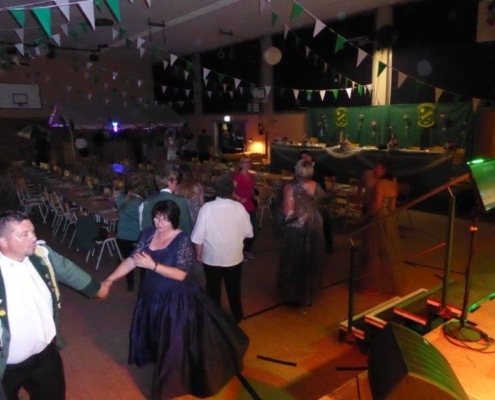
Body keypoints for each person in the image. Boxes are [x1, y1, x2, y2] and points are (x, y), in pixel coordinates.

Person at [99, 200, 249, 399]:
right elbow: (131, 261)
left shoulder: (182, 240)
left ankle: (172, 382)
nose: (159, 223)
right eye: (156, 217)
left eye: (165, 219)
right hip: (151, 294)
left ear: (174, 220)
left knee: (174, 343)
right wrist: (110, 280)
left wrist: (153, 265)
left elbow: (180, 274)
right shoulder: (148, 234)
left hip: (175, 299)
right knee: (155, 332)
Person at [0, 212, 105, 399]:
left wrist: (95, 288)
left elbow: (67, 269)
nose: (33, 237)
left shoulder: (40, 255)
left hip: (45, 353)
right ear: (3, 241)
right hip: (6, 365)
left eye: (33, 231)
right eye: (24, 235)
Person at [191, 174, 253, 323]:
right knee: (234, 287)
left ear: (215, 190)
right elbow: (249, 233)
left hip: (211, 257)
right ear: (231, 190)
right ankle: (237, 315)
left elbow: (198, 236)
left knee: (213, 288)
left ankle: (214, 318)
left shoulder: (207, 208)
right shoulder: (239, 208)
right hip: (234, 257)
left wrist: (199, 252)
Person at [277, 159, 325, 306]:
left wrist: (280, 212)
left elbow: (288, 213)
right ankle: (308, 294)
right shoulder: (317, 186)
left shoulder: (290, 187)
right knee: (311, 259)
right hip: (315, 225)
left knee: (294, 259)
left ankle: (293, 294)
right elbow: (322, 204)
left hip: (296, 227)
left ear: (297, 170)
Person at [357, 157, 403, 295]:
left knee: (373, 250)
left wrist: (365, 216)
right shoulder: (393, 182)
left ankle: (373, 284)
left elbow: (376, 205)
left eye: (380, 167)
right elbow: (393, 206)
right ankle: (386, 282)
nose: (376, 169)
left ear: (385, 170)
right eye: (376, 166)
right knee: (386, 250)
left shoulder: (380, 183)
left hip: (377, 217)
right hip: (388, 218)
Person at [299, 150, 334, 253]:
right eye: (302, 158)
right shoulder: (302, 168)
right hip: (307, 197)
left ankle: (329, 245)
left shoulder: (318, 166)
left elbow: (332, 174)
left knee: (325, 219)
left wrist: (333, 186)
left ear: (311, 157)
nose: (304, 159)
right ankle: (307, 245)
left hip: (320, 196)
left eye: (305, 157)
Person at [140, 168, 193, 234]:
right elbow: (187, 227)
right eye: (174, 180)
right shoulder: (181, 201)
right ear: (169, 182)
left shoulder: (147, 202)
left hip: (154, 238)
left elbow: (145, 227)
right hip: (175, 238)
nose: (176, 182)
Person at [116, 175, 145, 292]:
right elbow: (143, 222)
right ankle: (143, 285)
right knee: (142, 262)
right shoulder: (141, 203)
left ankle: (130, 284)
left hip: (122, 234)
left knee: (127, 260)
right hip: (136, 236)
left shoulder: (119, 198)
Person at [232, 157, 257, 261]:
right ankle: (240, 251)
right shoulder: (237, 176)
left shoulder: (251, 176)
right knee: (241, 230)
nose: (247, 164)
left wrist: (254, 196)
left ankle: (247, 249)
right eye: (244, 162)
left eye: (248, 162)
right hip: (240, 206)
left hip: (250, 205)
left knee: (253, 228)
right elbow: (231, 191)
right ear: (241, 164)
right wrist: (239, 198)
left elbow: (251, 188)